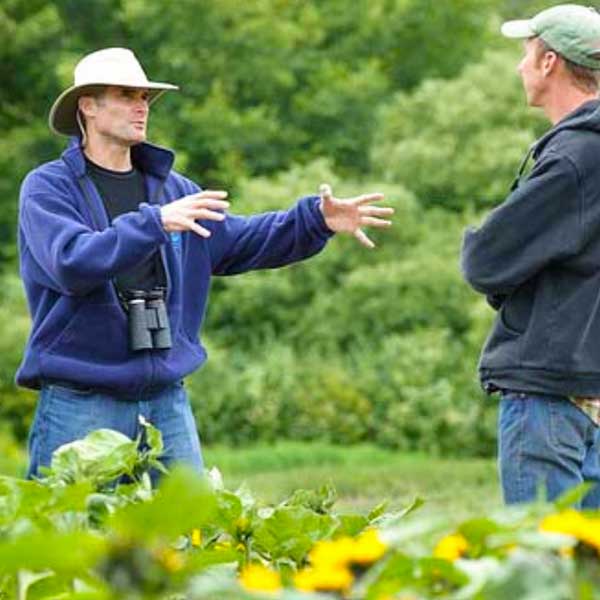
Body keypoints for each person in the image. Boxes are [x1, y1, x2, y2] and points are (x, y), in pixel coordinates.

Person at [18, 47, 393, 481]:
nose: (141, 107)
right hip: (81, 401)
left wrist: (315, 220)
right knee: (69, 537)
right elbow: (71, 262)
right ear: (88, 105)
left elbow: (243, 241)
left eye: (145, 98)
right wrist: (154, 223)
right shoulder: (47, 188)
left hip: (165, 399)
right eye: (126, 95)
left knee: (191, 537)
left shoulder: (174, 189)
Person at [461, 4, 600, 506]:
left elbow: (484, 260)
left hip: (549, 396)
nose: (520, 66)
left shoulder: (575, 158)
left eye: (526, 52)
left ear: (550, 63)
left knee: (543, 573)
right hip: (592, 386)